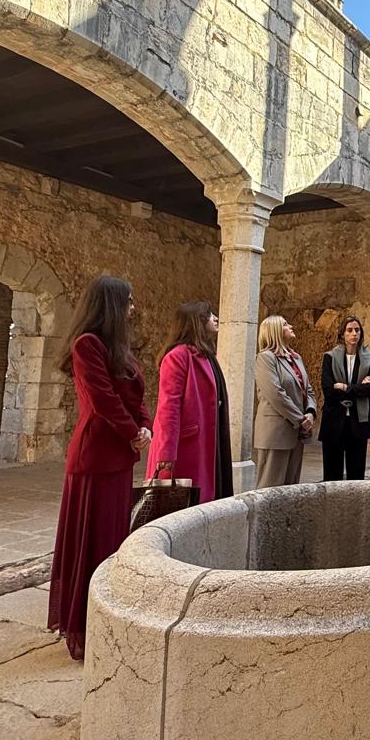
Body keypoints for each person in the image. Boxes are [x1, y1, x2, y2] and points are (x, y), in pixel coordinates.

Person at [48, 275, 150, 661]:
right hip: (95, 456)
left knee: (111, 539)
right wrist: (132, 432)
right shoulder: (86, 345)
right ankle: (85, 623)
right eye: (128, 302)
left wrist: (145, 426)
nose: (133, 309)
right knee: (92, 540)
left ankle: (105, 613)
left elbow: (135, 395)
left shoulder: (118, 349)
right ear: (111, 306)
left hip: (119, 455)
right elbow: (102, 398)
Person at [149, 301, 232, 502]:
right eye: (209, 315)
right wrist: (166, 454)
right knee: (182, 505)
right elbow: (169, 407)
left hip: (209, 443)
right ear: (197, 322)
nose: (215, 318)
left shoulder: (206, 355)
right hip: (186, 447)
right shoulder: (177, 357)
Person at [253, 315, 316, 488]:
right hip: (276, 432)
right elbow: (275, 394)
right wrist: (300, 419)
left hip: (297, 432)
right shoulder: (265, 358)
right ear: (274, 331)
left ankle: (287, 517)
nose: (291, 326)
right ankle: (265, 517)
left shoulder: (296, 358)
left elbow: (308, 389)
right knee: (270, 488)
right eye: (286, 324)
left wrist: (310, 412)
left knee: (290, 488)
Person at [319, 316, 370, 481]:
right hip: (334, 420)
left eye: (357, 330)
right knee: (332, 474)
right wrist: (357, 388)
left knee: (356, 473)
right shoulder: (330, 357)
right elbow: (328, 389)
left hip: (358, 422)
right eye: (349, 330)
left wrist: (345, 387)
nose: (354, 334)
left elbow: (369, 390)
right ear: (342, 334)